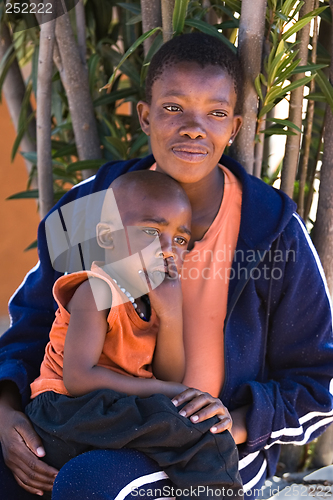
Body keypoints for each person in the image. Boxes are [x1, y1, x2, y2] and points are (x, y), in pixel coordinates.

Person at [0, 32, 332, 500]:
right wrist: (7, 417)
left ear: (234, 128)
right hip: (83, 417)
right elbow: (29, 331)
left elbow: (316, 384)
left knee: (90, 484)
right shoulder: (95, 207)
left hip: (209, 454)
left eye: (215, 113)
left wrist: (231, 424)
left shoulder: (273, 229)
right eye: (174, 107)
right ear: (145, 115)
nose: (194, 128)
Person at [24, 170, 242, 497]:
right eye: (151, 231)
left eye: (180, 239)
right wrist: (167, 391)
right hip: (64, 412)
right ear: (108, 237)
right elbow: (78, 378)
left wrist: (170, 316)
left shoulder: (149, 299)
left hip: (106, 410)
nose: (168, 249)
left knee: (189, 424)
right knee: (187, 427)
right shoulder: (97, 289)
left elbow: (169, 373)